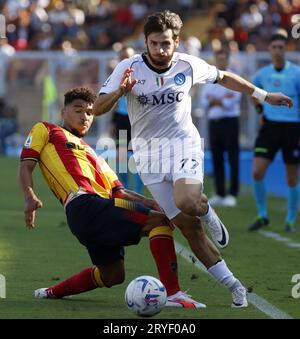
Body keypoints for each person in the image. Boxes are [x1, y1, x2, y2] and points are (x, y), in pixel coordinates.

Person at [93, 11, 292, 307]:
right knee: (189, 228)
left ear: (177, 41)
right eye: (154, 43)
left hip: (183, 145)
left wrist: (262, 95)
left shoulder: (188, 64)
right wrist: (121, 91)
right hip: (148, 158)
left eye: (166, 43)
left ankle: (207, 209)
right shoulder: (129, 66)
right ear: (145, 42)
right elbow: (97, 108)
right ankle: (234, 285)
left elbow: (224, 78)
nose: (160, 50)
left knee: (188, 201)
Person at [19, 87, 206, 308]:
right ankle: (173, 294)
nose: (84, 116)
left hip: (101, 206)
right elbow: (26, 165)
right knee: (159, 222)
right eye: (78, 110)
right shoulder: (47, 129)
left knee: (113, 275)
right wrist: (29, 196)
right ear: (63, 112)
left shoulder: (92, 153)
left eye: (89, 112)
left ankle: (52, 292)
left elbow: (121, 193)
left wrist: (156, 203)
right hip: (83, 203)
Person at [248, 33, 300, 233]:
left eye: (281, 47)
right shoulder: (262, 74)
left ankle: (290, 219)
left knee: (292, 178)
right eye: (274, 47)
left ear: (286, 49)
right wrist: (261, 111)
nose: (277, 51)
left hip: (293, 128)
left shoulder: (296, 73)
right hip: (270, 128)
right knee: (256, 171)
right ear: (269, 50)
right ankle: (262, 215)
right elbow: (252, 93)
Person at [200, 49, 242, 207]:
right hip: (214, 122)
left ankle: (233, 193)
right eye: (218, 59)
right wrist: (220, 100)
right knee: (217, 157)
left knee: (233, 157)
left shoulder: (233, 78)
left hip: (230, 121)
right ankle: (220, 192)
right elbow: (204, 101)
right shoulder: (210, 78)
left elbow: (232, 100)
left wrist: (215, 100)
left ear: (228, 61)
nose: (221, 62)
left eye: (223, 59)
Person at [110, 45, 144, 194]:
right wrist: (113, 121)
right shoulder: (116, 76)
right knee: (121, 157)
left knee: (137, 158)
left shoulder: (141, 75)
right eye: (122, 56)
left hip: (136, 120)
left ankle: (138, 192)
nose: (125, 59)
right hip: (122, 119)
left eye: (128, 56)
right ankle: (123, 190)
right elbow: (113, 100)